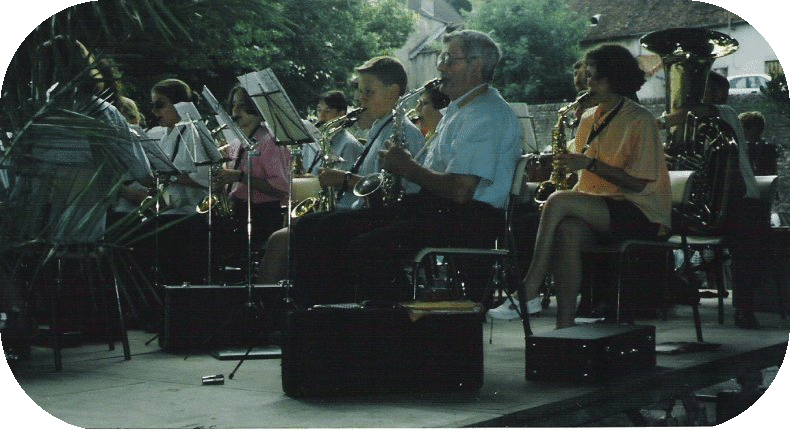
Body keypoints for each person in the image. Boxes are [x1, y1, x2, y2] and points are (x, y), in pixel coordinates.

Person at [290, 31, 521, 307]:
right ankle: (316, 319)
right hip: (438, 210)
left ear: (476, 66)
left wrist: (408, 168)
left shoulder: (485, 114)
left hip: (469, 218)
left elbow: (461, 190)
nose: (440, 65)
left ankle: (391, 325)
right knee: (312, 225)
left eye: (449, 58)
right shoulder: (460, 110)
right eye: (441, 57)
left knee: (363, 247)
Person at [521, 44, 671, 329]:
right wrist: (559, 162)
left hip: (643, 212)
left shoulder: (640, 119)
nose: (587, 83)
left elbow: (639, 184)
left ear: (615, 79)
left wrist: (589, 165)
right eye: (587, 76)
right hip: (602, 205)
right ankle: (564, 326)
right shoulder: (588, 117)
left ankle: (531, 285)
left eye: (595, 77)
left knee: (557, 201)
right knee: (567, 231)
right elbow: (579, 166)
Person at [256, 57, 425, 285]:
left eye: (368, 92)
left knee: (302, 231)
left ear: (394, 91)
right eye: (359, 91)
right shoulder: (380, 127)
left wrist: (344, 180)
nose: (359, 98)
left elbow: (398, 192)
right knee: (294, 231)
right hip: (367, 214)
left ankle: (305, 302)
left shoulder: (402, 132)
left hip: (386, 219)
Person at [149, 78, 214, 285]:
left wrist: (171, 176)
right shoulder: (167, 134)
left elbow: (208, 178)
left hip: (190, 215)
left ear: (179, 105)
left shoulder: (193, 132)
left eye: (160, 105)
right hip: (173, 212)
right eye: (153, 106)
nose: (154, 112)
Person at [739, 111, 778, 176]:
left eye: (741, 128)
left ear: (752, 129)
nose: (740, 131)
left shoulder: (744, 149)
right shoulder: (769, 148)